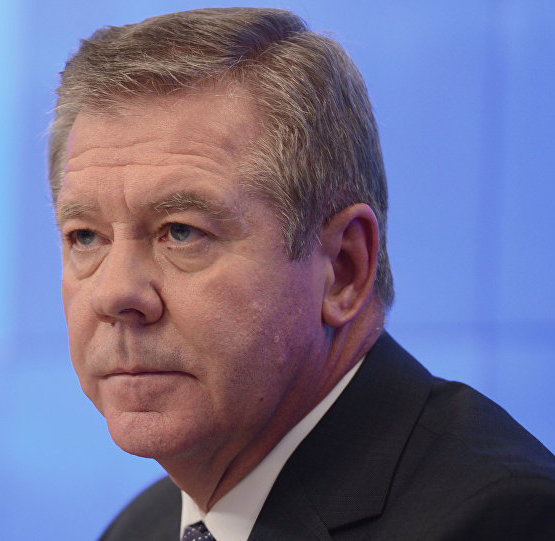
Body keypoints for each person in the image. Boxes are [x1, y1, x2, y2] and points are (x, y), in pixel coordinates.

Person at [47, 7, 555, 540]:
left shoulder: (497, 519)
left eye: (181, 231)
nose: (115, 293)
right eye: (86, 237)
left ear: (342, 269)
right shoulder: (141, 528)